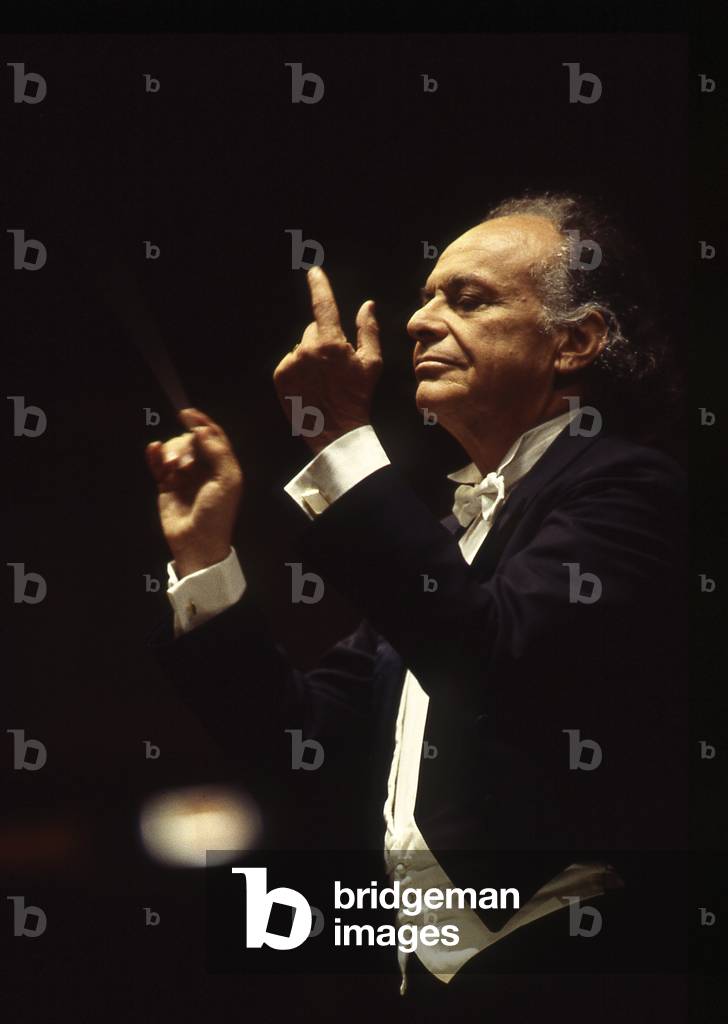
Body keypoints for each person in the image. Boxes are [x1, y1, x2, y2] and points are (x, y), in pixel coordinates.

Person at [145, 194, 688, 1017]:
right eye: (427, 298)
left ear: (576, 342)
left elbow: (490, 657)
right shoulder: (450, 535)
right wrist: (206, 557)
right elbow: (304, 750)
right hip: (432, 979)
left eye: (468, 300)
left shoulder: (630, 486)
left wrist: (338, 445)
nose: (419, 322)